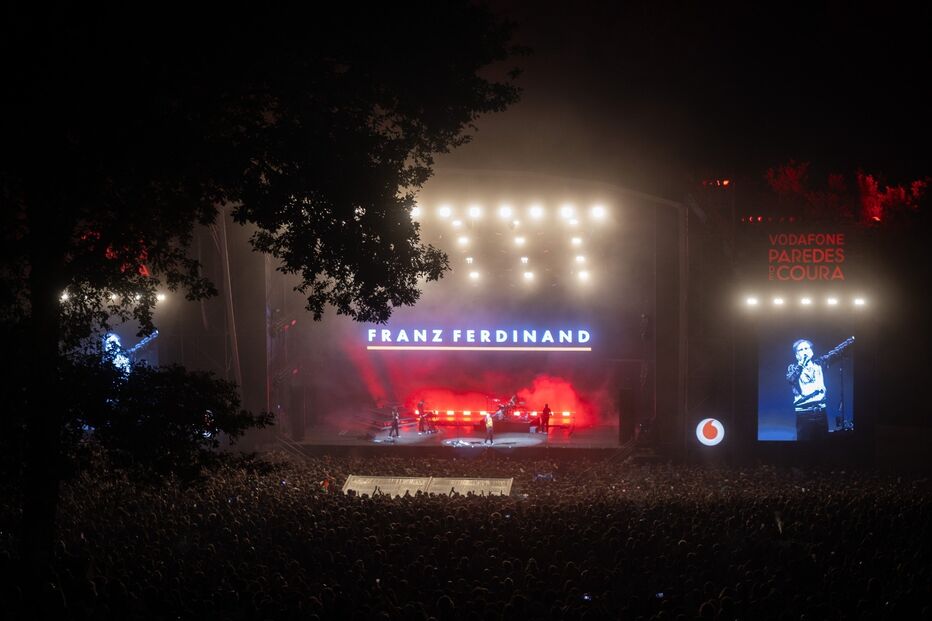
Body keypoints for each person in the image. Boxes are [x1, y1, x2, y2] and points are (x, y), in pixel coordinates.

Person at [785, 337, 854, 440]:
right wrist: (801, 365)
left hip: (821, 412)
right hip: (804, 414)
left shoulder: (820, 364)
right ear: (796, 355)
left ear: (811, 351)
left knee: (822, 446)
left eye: (807, 348)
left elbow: (836, 352)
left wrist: (852, 340)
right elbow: (791, 379)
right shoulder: (793, 368)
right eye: (801, 350)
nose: (805, 351)